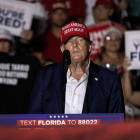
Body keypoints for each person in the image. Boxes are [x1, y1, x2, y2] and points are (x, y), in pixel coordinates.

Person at [29, 21, 124, 114]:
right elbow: (34, 117)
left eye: (80, 40)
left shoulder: (110, 80)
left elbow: (117, 123)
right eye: (70, 41)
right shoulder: (45, 75)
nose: (75, 45)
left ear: (90, 46)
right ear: (62, 49)